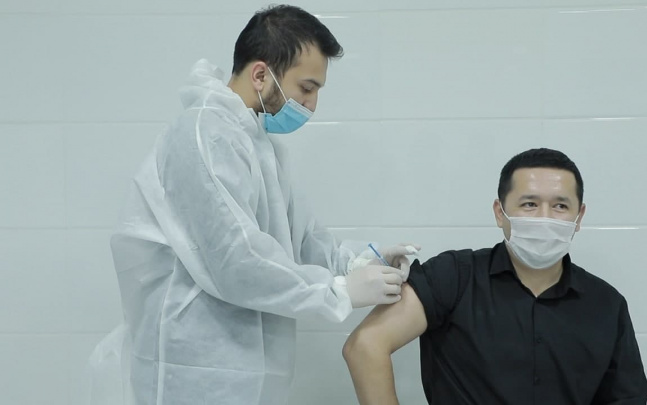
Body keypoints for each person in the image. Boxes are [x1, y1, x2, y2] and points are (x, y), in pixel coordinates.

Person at [110, 5, 418, 404]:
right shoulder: (205, 135)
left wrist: (361, 262)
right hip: (196, 371)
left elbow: (303, 240)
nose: (311, 104)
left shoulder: (258, 145)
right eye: (306, 88)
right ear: (260, 75)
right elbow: (237, 261)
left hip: (241, 374)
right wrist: (339, 290)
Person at [343, 148, 647, 404]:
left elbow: (626, 398)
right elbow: (365, 346)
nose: (545, 218)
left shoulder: (606, 304)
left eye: (560, 205)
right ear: (499, 212)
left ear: (578, 216)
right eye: (529, 204)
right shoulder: (453, 277)